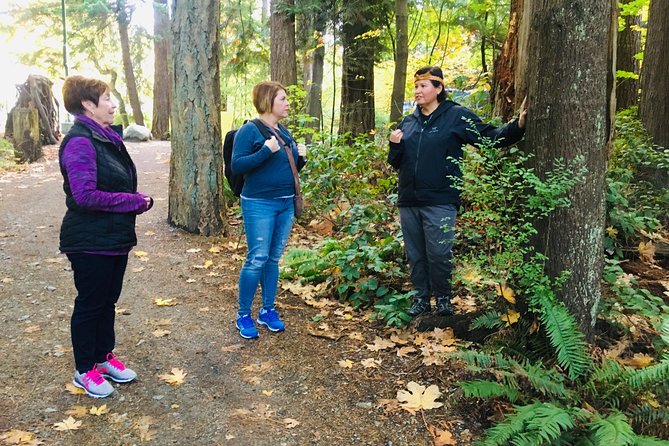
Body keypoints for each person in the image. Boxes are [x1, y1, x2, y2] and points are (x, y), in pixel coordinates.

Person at [388, 66, 527, 318]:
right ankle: (421, 299)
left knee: (439, 253)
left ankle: (442, 299)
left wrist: (517, 126)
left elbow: (489, 137)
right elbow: (397, 162)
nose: (418, 91)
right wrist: (394, 145)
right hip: (408, 200)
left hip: (440, 200)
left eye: (423, 86)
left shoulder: (456, 116)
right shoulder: (408, 122)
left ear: (439, 89)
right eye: (416, 86)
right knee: (416, 255)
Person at [59, 75, 153, 398]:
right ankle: (84, 369)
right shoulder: (80, 141)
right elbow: (84, 196)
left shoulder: (104, 138)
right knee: (90, 303)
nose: (113, 105)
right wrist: (134, 202)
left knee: (107, 301)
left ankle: (102, 357)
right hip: (89, 241)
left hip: (113, 239)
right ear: (87, 104)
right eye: (107, 99)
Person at [232, 81, 307, 339]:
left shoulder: (283, 131)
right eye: (283, 99)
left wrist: (302, 159)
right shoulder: (250, 131)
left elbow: (288, 167)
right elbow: (237, 165)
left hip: (286, 203)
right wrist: (264, 151)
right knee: (257, 259)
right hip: (259, 204)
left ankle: (267, 310)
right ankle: (243, 314)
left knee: (273, 259)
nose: (288, 103)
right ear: (268, 102)